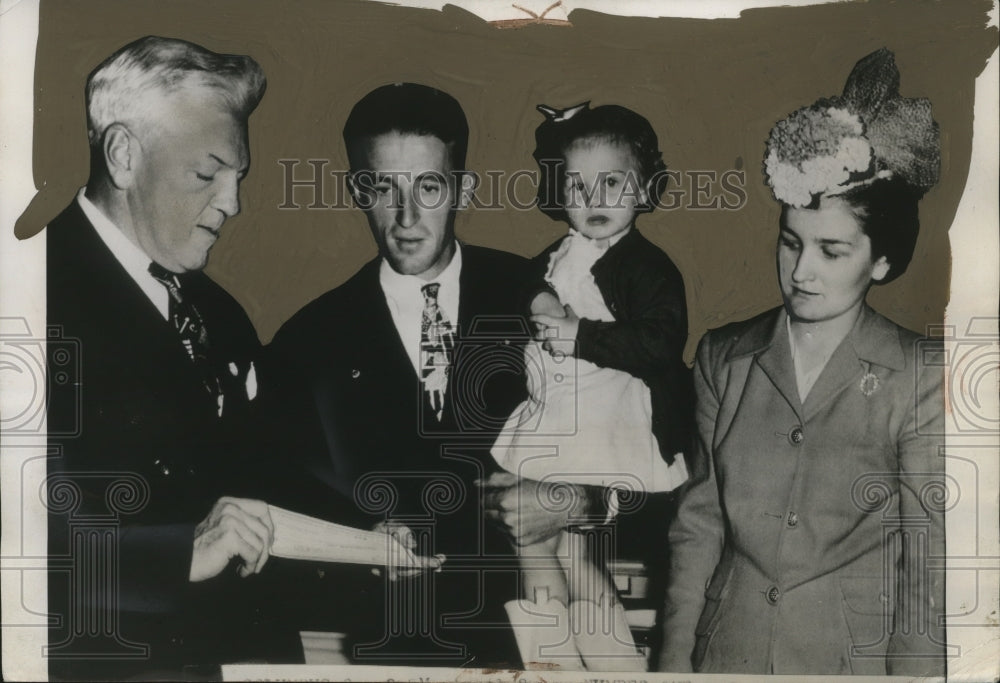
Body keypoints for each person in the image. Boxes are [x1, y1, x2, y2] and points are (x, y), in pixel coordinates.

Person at [42, 36, 369, 679]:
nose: (232, 203)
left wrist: (376, 523)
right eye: (206, 173)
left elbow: (265, 467)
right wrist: (177, 555)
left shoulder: (217, 313)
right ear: (122, 154)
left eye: (237, 177)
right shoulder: (24, 295)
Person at [658, 48, 946, 676]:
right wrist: (675, 665)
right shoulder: (723, 357)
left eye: (832, 250)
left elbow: (925, 565)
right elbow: (698, 528)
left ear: (882, 262)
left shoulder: (922, 375)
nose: (801, 271)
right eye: (791, 243)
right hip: (725, 654)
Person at [266, 82, 532, 667]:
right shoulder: (305, 344)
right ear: (357, 190)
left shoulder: (540, 297)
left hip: (542, 641)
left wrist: (578, 504)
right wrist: (359, 532)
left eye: (429, 186)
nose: (406, 216)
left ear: (460, 188)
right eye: (383, 187)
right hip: (385, 651)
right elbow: (284, 496)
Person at [489, 102, 691, 671]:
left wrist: (581, 335)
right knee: (544, 543)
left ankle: (612, 667)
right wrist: (539, 300)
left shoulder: (649, 267)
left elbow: (659, 343)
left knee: (572, 553)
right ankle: (556, 663)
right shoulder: (555, 256)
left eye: (611, 183)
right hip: (556, 414)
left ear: (645, 188)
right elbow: (522, 284)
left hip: (607, 422)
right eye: (576, 185)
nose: (593, 199)